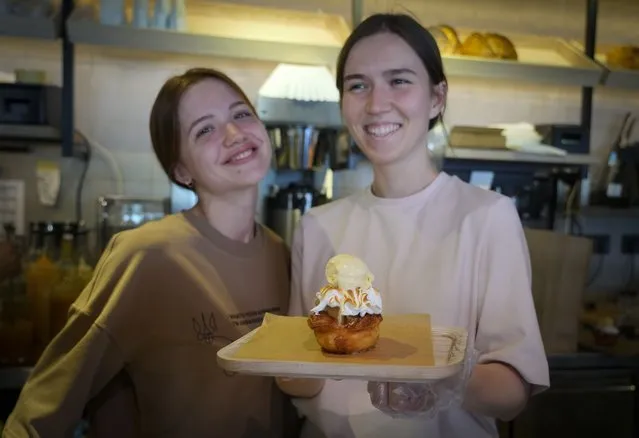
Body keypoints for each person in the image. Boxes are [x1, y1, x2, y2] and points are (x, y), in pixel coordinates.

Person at [282, 13, 550, 438]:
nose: (375, 104)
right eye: (358, 85)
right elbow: (303, 376)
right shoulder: (317, 226)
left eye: (399, 81)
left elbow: (512, 390)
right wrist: (265, 355)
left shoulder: (486, 217)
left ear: (437, 97)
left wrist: (445, 380)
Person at [3, 68, 298, 438]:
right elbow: (43, 407)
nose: (234, 134)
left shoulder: (282, 254)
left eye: (241, 114)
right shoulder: (146, 256)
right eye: (204, 129)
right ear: (181, 169)